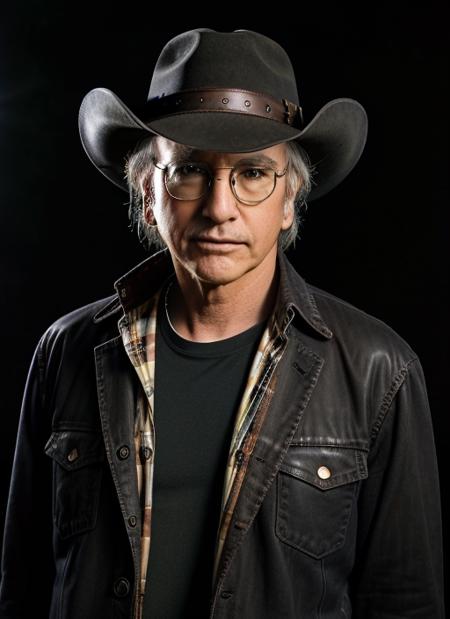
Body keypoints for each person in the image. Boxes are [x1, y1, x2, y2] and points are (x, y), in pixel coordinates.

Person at [0, 28, 445, 619]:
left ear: (290, 200)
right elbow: (22, 590)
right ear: (147, 190)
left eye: (253, 173)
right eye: (188, 170)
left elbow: (404, 601)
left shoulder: (378, 370)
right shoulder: (67, 351)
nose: (219, 207)